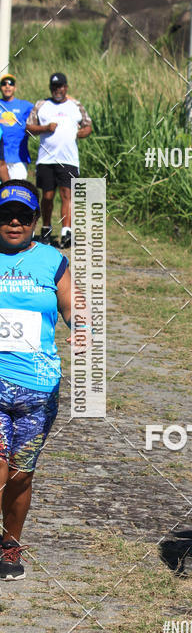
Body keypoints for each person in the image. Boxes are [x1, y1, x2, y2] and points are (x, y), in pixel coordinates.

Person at [0, 180, 72, 580]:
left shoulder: (51, 261)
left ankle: (9, 545)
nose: (14, 222)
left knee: (21, 474)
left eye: (23, 216)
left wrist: (81, 326)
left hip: (38, 388)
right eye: (5, 214)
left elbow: (72, 307)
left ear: (33, 221)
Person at [26, 73, 92, 249]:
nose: (58, 90)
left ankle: (66, 233)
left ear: (66, 87)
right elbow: (29, 128)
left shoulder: (75, 105)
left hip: (69, 159)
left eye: (61, 86)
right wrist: (45, 128)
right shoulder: (42, 105)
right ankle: (46, 230)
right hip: (46, 159)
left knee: (66, 195)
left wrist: (81, 133)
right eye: (55, 87)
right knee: (47, 196)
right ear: (50, 88)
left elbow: (88, 126)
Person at [0, 73, 34, 182]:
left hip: (18, 157)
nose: (7, 86)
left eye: (11, 83)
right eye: (4, 84)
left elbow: (43, 111)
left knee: (18, 192)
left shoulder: (24, 105)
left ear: (15, 87)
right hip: (1, 158)